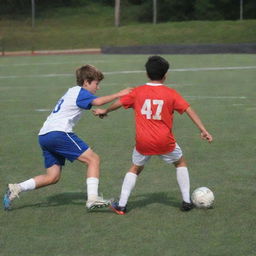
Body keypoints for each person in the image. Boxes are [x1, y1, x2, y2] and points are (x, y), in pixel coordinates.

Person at [93, 56, 213, 215]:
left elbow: (120, 103)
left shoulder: (138, 91)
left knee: (135, 168)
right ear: (165, 75)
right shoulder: (171, 93)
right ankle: (186, 201)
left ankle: (121, 205)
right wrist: (203, 129)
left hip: (143, 142)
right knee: (180, 162)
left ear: (147, 74)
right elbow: (189, 110)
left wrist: (105, 110)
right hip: (165, 141)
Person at [3, 64, 131, 211]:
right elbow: (98, 101)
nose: (98, 87)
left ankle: (16, 188)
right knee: (93, 159)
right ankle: (93, 199)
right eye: (96, 83)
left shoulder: (74, 92)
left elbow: (83, 106)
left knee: (53, 177)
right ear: (86, 82)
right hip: (58, 133)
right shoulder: (80, 92)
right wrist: (119, 94)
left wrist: (101, 111)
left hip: (44, 136)